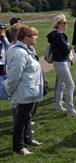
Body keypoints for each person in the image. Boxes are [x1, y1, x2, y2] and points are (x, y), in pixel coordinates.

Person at [6, 25, 44, 155]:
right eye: (34, 35)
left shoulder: (26, 50)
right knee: (21, 120)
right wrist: (10, 91)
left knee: (27, 117)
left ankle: (27, 139)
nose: (36, 37)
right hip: (24, 92)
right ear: (26, 37)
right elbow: (14, 75)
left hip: (29, 91)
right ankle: (18, 147)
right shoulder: (19, 52)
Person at [47, 14, 76, 116]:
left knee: (61, 84)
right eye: (64, 22)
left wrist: (68, 49)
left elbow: (65, 49)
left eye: (66, 22)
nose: (67, 24)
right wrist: (70, 49)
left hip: (61, 61)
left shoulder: (57, 35)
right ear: (59, 24)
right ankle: (70, 110)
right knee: (70, 85)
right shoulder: (59, 36)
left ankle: (58, 105)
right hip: (61, 62)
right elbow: (66, 49)